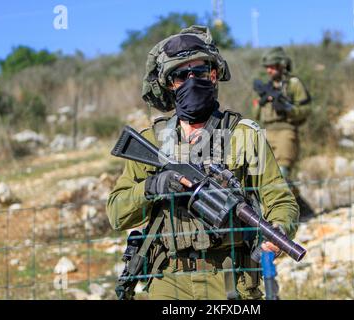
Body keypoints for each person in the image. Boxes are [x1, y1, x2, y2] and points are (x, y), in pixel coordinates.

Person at [106, 26, 299, 300]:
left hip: (231, 280)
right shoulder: (153, 141)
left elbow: (281, 200)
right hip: (167, 279)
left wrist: (279, 228)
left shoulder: (244, 135)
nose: (191, 81)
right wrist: (152, 186)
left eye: (200, 72)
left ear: (215, 75)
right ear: (168, 85)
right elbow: (116, 214)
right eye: (180, 76)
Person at [252, 46, 314, 218]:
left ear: (281, 65)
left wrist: (287, 108)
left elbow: (306, 109)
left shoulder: (293, 84)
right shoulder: (266, 87)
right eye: (267, 67)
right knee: (267, 176)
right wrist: (263, 102)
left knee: (283, 173)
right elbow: (256, 115)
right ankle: (296, 207)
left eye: (272, 66)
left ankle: (297, 210)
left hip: (286, 132)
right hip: (266, 132)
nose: (269, 70)